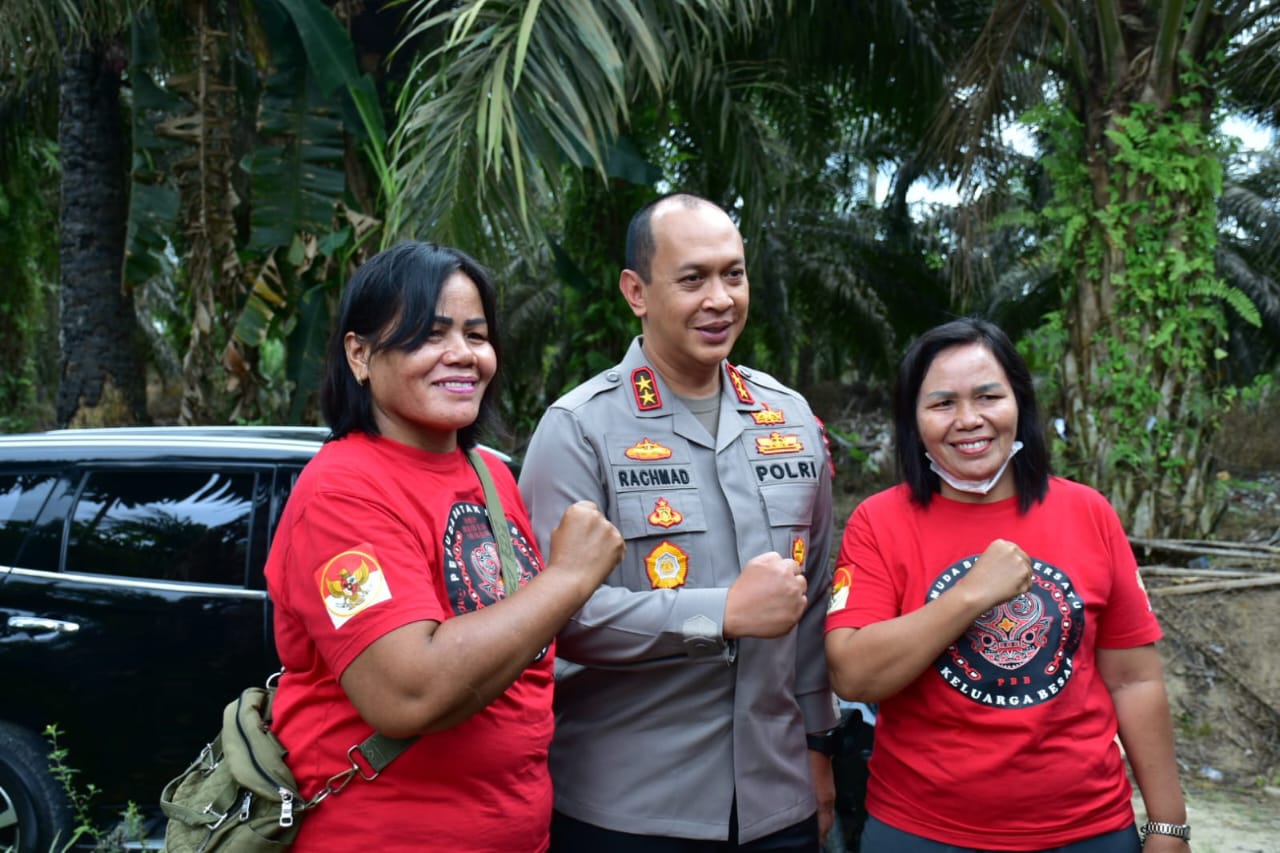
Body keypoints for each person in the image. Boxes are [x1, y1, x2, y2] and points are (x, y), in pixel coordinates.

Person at [264, 241, 625, 852]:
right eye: (429, 335)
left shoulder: (490, 475)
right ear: (359, 354)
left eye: (476, 335)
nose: (462, 355)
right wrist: (568, 578)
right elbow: (408, 691)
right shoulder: (341, 492)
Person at [518, 192, 838, 852]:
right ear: (636, 291)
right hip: (629, 809)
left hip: (779, 801)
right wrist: (718, 612)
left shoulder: (791, 419)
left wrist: (816, 744)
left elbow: (813, 609)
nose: (720, 299)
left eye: (734, 273)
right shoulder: (580, 429)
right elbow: (552, 619)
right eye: (693, 278)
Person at [825, 317, 1190, 853]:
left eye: (988, 396)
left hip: (1088, 831)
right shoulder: (880, 523)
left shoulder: (1088, 513)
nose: (968, 420)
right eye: (942, 403)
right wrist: (971, 595)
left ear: (1019, 403)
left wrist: (1168, 824)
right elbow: (852, 673)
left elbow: (1134, 681)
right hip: (921, 831)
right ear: (914, 420)